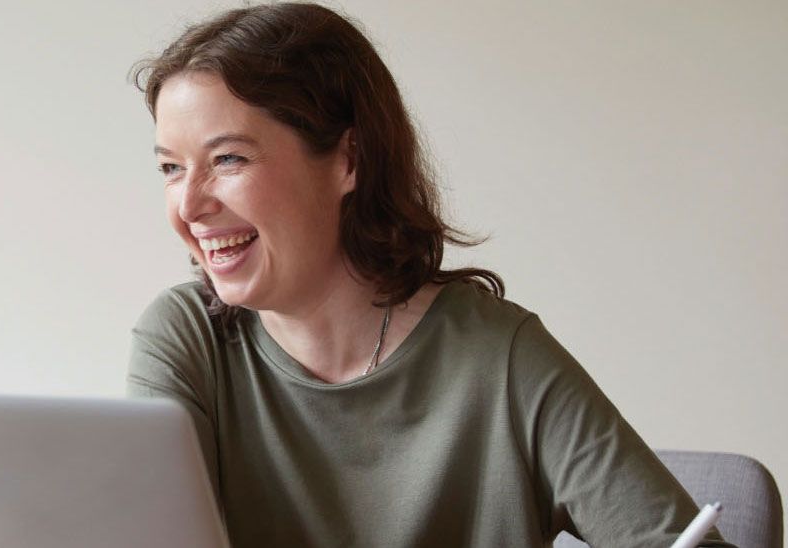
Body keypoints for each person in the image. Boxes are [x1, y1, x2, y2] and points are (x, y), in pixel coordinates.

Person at [125, 3, 734, 547]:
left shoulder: (499, 359)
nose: (190, 204)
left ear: (348, 159)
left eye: (228, 158)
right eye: (172, 168)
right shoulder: (187, 339)